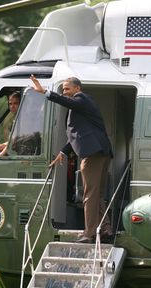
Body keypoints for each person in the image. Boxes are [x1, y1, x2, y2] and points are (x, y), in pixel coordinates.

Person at [30, 75, 113, 243]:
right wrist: (64, 152)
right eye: (63, 89)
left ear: (77, 88)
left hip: (93, 154)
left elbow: (68, 102)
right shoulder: (80, 107)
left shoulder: (81, 99)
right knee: (96, 194)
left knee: (89, 194)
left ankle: (89, 233)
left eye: (67, 89)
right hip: (100, 152)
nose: (65, 92)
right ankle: (105, 228)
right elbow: (76, 134)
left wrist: (45, 92)